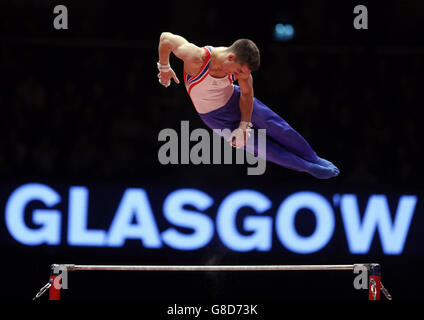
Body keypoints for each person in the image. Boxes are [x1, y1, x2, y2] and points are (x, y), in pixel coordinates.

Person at [156, 32, 339, 179]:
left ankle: (313, 157)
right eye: (240, 71)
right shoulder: (196, 57)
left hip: (235, 99)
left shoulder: (243, 72)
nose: (241, 75)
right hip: (215, 118)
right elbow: (165, 38)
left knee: (277, 126)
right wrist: (164, 67)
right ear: (231, 57)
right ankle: (308, 167)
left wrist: (244, 125)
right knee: (264, 149)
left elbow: (246, 93)